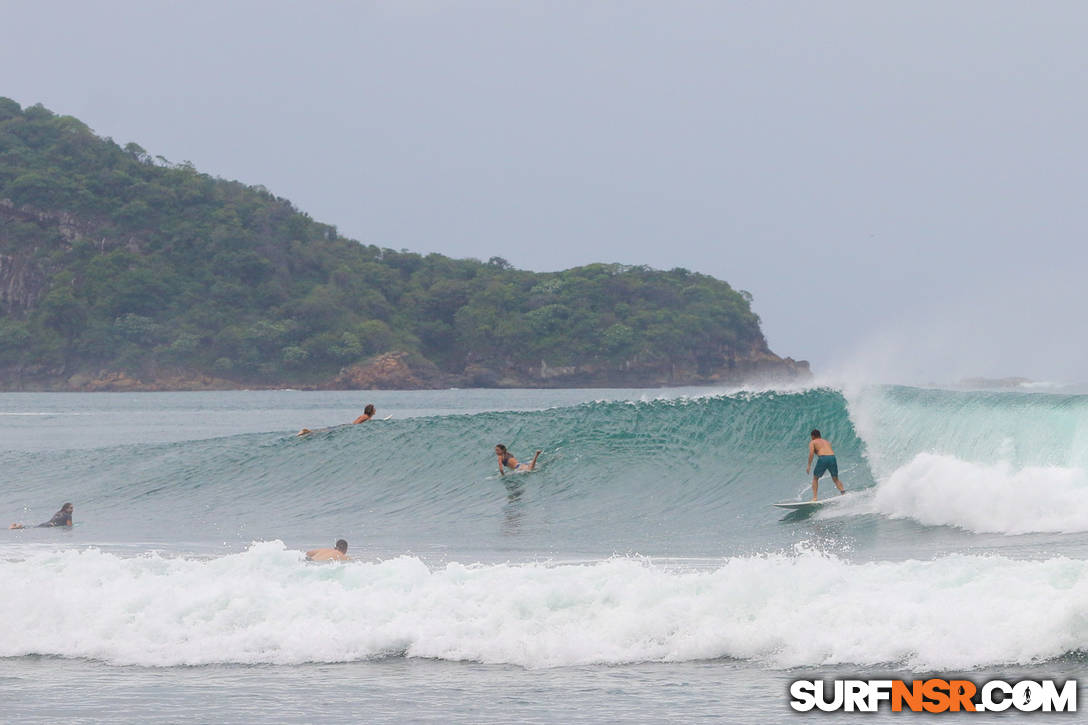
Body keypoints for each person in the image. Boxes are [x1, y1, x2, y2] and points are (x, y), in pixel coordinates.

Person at [806, 429, 846, 500]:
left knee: (815, 478)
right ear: (820, 435)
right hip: (832, 457)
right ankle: (843, 493)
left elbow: (811, 453)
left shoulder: (813, 442)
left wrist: (809, 465)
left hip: (823, 458)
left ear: (813, 436)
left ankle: (815, 498)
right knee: (835, 479)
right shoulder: (826, 441)